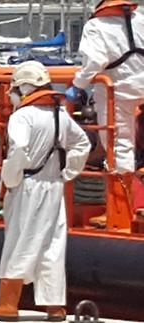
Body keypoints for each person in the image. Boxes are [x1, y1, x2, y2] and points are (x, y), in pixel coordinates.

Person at [0, 61, 90, 321]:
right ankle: (55, 307)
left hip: (27, 185)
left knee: (20, 241)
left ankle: (8, 304)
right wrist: (69, 172)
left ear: (24, 87)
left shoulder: (23, 116)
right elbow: (82, 143)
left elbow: (18, 149)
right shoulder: (60, 115)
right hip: (54, 185)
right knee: (52, 244)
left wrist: (10, 177)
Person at [65, 0, 144, 228]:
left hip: (118, 91)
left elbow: (94, 62)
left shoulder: (97, 26)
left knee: (118, 146)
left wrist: (78, 85)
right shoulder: (141, 20)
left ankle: (119, 212)